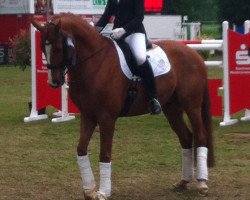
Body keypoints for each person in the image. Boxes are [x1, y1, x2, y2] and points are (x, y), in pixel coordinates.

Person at [96, 0, 162, 115]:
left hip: (134, 33)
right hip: (116, 33)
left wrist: (124, 30)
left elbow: (139, 17)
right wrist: (94, 31)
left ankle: (153, 98)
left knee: (140, 57)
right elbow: (106, 15)